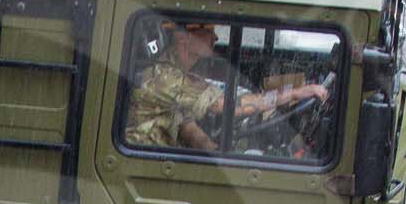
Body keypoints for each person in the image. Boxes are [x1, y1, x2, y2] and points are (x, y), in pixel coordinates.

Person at [127, 20, 327, 151]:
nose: (215, 38)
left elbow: (186, 126)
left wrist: (216, 155)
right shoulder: (169, 79)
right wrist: (297, 92)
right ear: (183, 38)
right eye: (209, 31)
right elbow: (232, 105)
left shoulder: (179, 75)